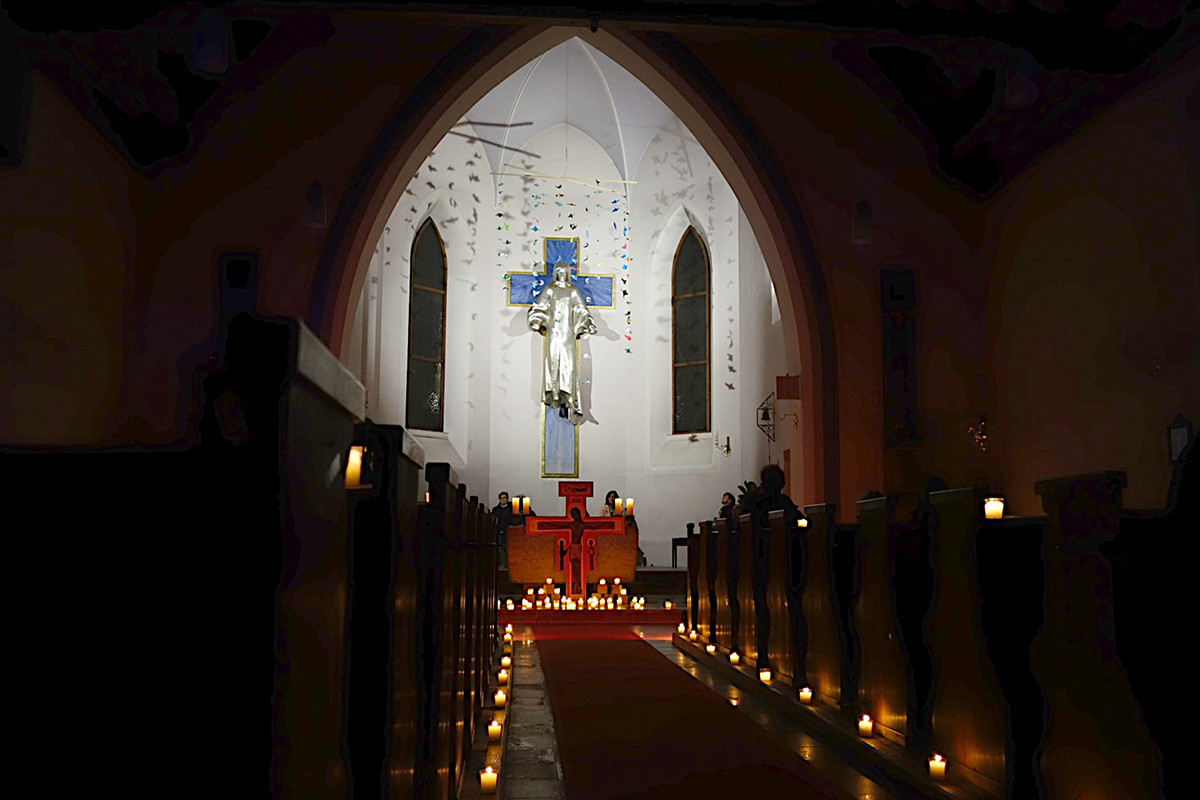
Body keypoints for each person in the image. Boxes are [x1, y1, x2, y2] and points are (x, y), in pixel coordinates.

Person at [528, 263, 597, 424]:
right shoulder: (550, 290)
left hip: (568, 335)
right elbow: (540, 307)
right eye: (557, 272)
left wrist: (588, 323)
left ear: (567, 273)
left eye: (563, 272)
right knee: (552, 363)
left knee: (569, 365)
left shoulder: (572, 291)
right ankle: (554, 394)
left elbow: (581, 309)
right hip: (553, 334)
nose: (560, 275)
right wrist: (536, 321)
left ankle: (569, 396)